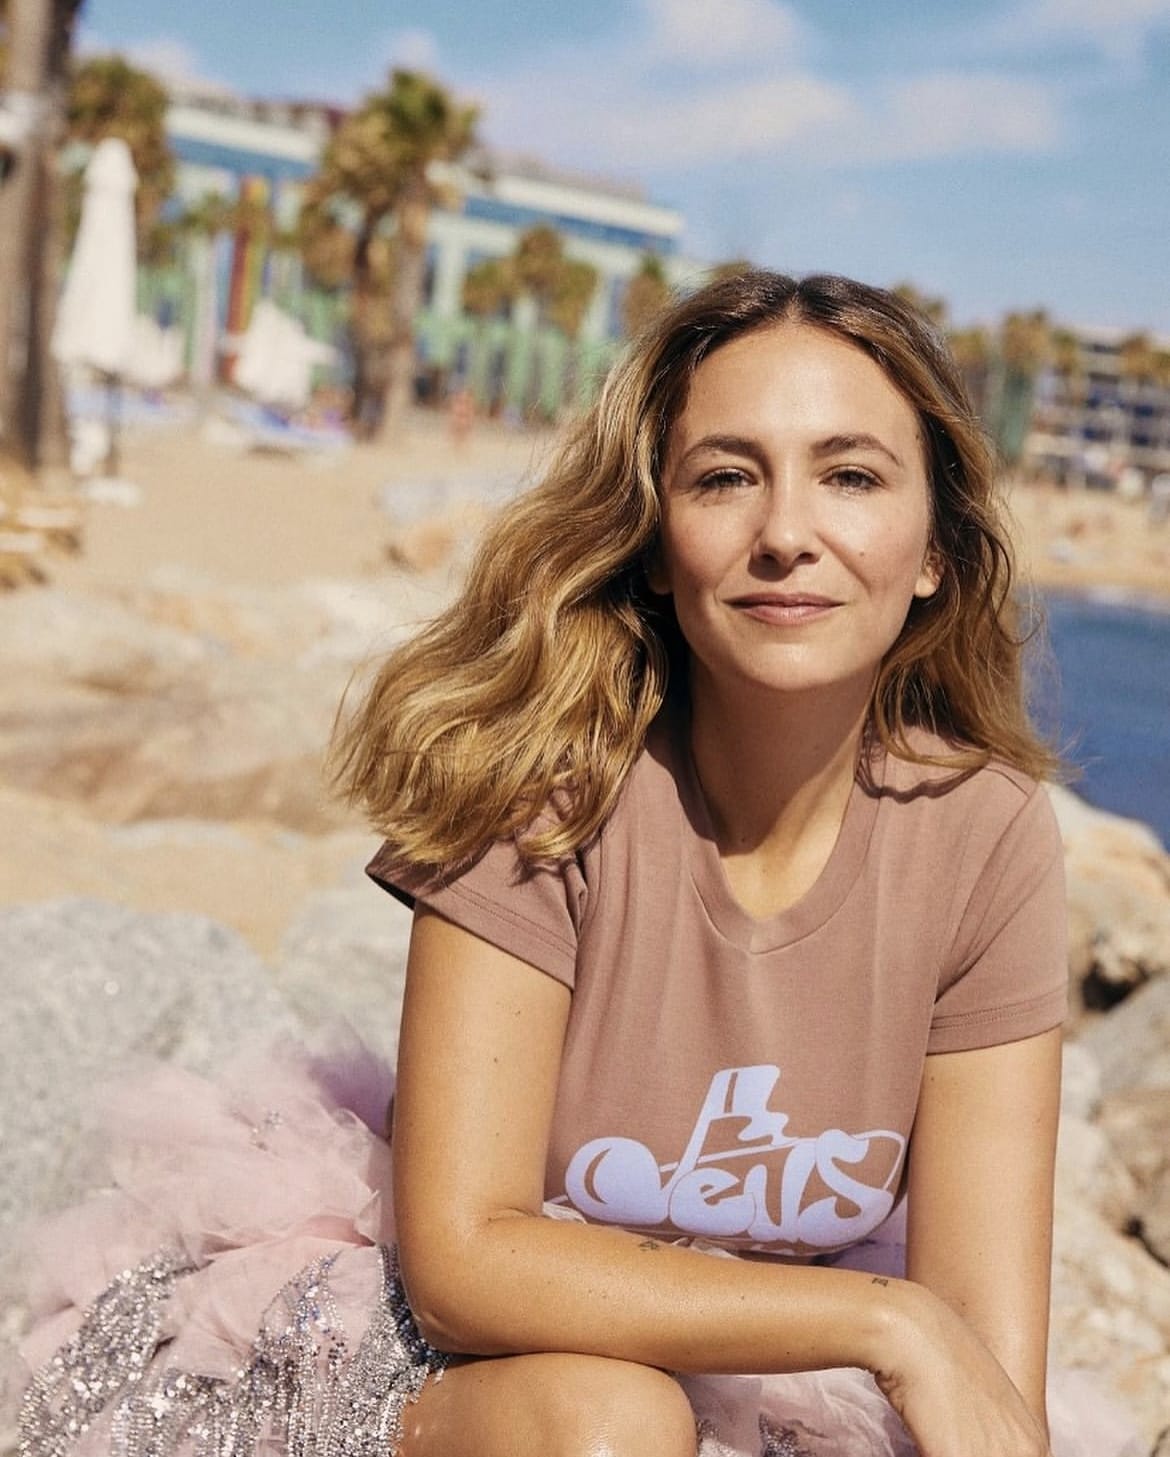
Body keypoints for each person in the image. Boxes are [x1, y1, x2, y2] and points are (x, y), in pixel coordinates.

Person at [9, 272, 1143, 1457]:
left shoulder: (984, 833)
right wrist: (886, 1318)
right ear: (654, 544)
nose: (786, 533)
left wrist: (914, 1333)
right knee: (617, 1423)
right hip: (447, 1366)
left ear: (935, 553)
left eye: (850, 476)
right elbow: (463, 1262)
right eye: (725, 477)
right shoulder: (544, 783)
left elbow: (988, 1365)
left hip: (776, 1365)